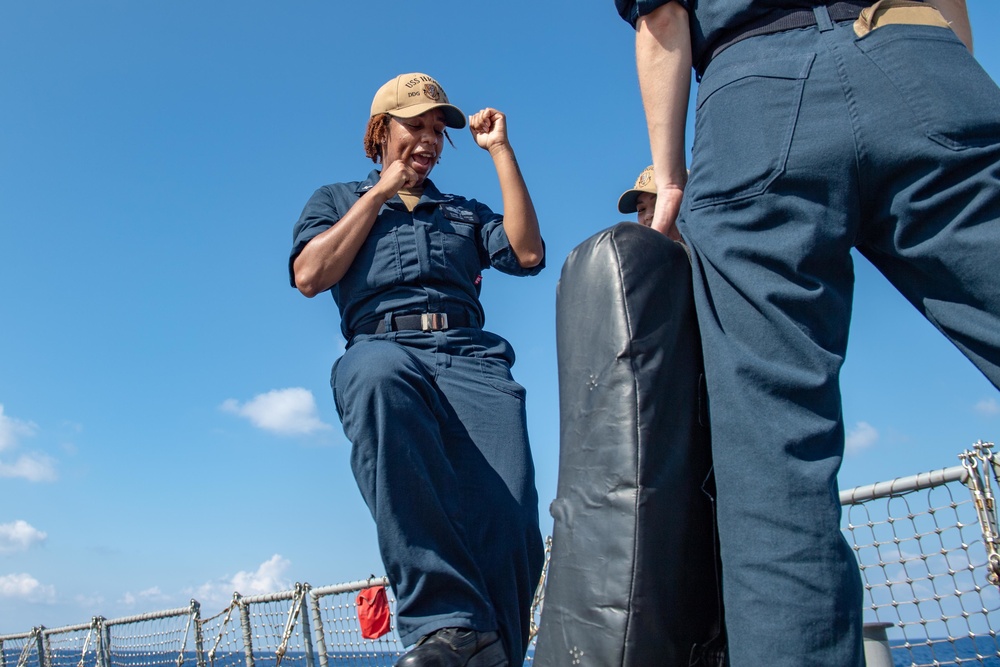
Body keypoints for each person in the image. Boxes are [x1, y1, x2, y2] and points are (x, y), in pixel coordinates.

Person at [615, 0, 1000, 665]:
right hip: (917, 47)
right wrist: (939, 81)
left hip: (752, 89)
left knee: (772, 464)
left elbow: (662, 21)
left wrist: (670, 177)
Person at [289, 72, 545, 667]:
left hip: (470, 356)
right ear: (381, 131)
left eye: (438, 129)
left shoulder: (460, 210)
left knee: (509, 523)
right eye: (416, 125)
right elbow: (310, 276)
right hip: (385, 350)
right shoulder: (335, 199)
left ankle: (494, 651)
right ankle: (443, 623)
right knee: (373, 376)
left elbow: (527, 253)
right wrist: (378, 194)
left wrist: (500, 150)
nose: (429, 139)